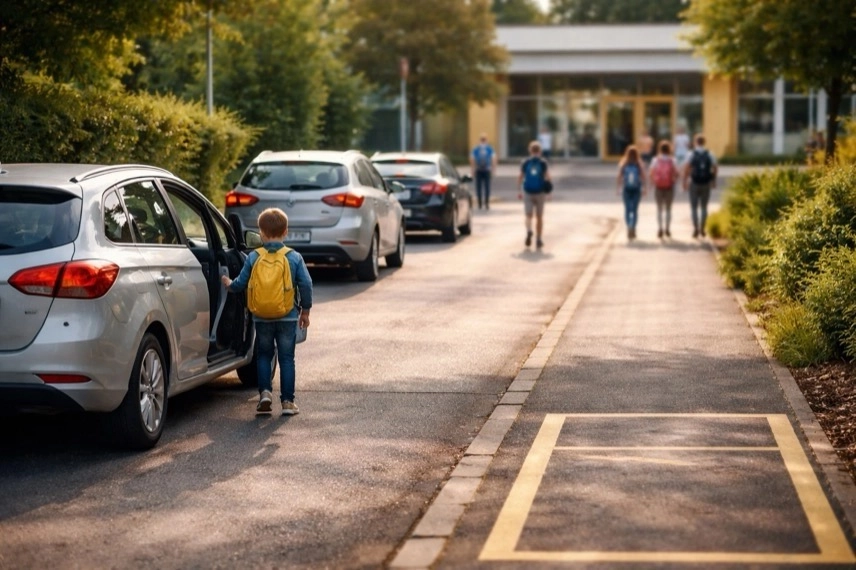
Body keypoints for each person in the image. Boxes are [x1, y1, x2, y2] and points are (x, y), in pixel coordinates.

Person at [221, 207, 313, 416]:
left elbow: (241, 283)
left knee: (263, 355)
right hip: (287, 315)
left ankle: (264, 394)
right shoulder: (294, 257)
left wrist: (228, 283)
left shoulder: (254, 256)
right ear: (286, 232)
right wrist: (305, 311)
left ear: (261, 233)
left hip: (261, 316)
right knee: (287, 358)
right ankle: (288, 402)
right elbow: (306, 284)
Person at [681, 133, 718, 238]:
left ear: (695, 142)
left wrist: (684, 181)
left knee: (693, 207)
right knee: (704, 207)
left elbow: (687, 168)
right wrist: (713, 180)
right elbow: (715, 168)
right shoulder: (710, 154)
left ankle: (695, 228)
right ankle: (702, 228)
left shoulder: (691, 154)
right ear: (704, 142)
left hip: (694, 182)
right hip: (706, 183)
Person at [517, 140, 552, 249]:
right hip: (540, 192)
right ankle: (538, 239)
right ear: (540, 151)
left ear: (530, 150)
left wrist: (519, 191)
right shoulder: (543, 162)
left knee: (528, 215)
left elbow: (520, 177)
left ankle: (529, 230)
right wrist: (549, 192)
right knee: (539, 217)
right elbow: (548, 177)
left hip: (528, 192)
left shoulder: (525, 162)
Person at [649, 140, 679, 238]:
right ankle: (667, 229)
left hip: (658, 187)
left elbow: (651, 173)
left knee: (659, 209)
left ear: (660, 149)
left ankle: (660, 228)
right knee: (668, 209)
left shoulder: (655, 160)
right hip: (669, 186)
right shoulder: (673, 160)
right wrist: (674, 180)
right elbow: (677, 173)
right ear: (669, 149)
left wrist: (653, 182)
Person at [616, 144, 647, 240]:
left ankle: (629, 225)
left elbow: (619, 177)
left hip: (626, 188)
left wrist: (618, 188)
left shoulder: (623, 164)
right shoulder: (639, 164)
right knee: (635, 210)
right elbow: (643, 177)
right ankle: (633, 227)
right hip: (636, 188)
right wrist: (644, 188)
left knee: (627, 209)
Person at [469, 133, 497, 210]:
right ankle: (487, 203)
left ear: (480, 140)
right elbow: (493, 159)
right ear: (486, 140)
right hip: (487, 170)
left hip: (478, 170)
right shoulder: (489, 148)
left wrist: (472, 170)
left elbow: (472, 160)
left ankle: (480, 204)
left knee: (479, 187)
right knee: (487, 187)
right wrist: (493, 169)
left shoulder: (476, 149)